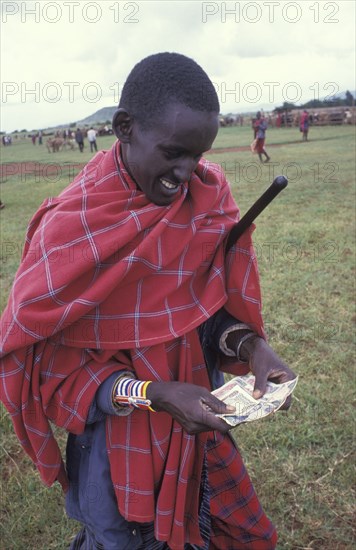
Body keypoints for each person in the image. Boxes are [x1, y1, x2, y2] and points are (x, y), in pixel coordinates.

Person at [0, 52, 296, 549]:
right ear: (124, 128)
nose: (186, 173)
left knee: (222, 528)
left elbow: (204, 312)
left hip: (198, 417)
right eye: (174, 153)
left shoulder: (205, 199)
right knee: (119, 539)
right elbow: (54, 366)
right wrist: (154, 394)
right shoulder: (72, 230)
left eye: (198, 156)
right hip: (112, 448)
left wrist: (249, 347)